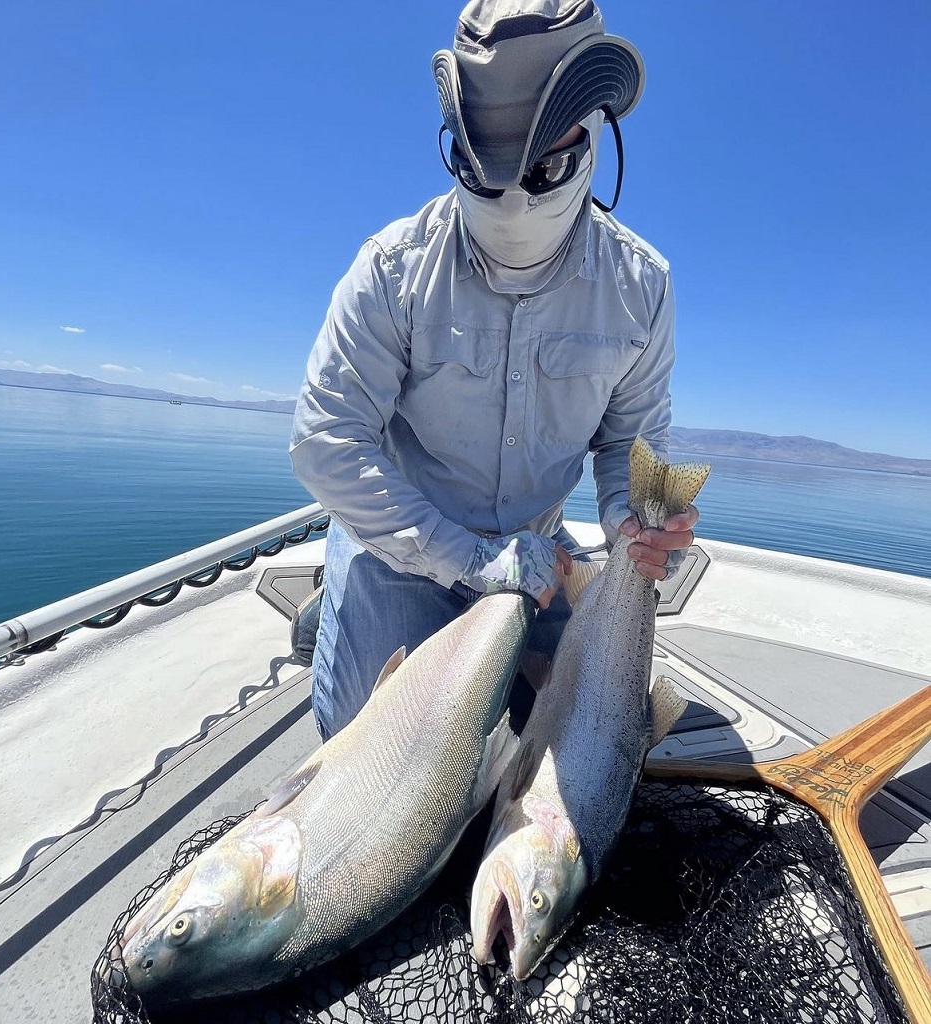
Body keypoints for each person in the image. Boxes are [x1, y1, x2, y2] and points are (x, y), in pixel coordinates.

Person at [290, 0, 699, 741]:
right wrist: (472, 558)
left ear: (598, 129)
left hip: (538, 548)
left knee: (603, 729)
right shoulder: (392, 267)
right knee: (364, 743)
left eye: (544, 164)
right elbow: (327, 442)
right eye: (481, 168)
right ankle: (339, 603)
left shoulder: (643, 285)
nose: (513, 195)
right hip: (400, 545)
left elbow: (627, 445)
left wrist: (629, 522)